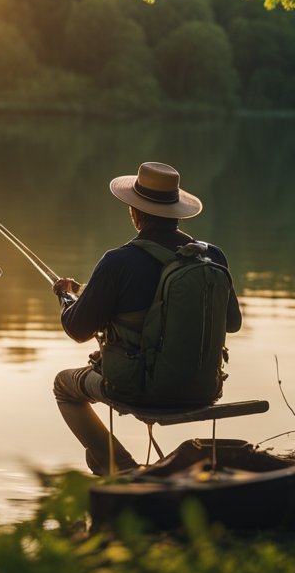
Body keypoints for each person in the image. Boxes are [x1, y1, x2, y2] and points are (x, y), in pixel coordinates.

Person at [52, 161, 242, 475]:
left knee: (63, 386)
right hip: (203, 386)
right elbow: (232, 323)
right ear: (176, 211)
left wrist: (66, 297)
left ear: (134, 212)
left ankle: (122, 467)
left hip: (139, 390)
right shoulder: (212, 257)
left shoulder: (118, 261)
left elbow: (77, 329)